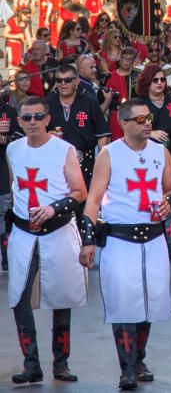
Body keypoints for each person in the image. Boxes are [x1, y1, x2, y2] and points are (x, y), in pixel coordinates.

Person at [79, 98, 171, 391]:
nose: (147, 123)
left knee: (150, 300)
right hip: (120, 238)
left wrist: (168, 203)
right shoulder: (109, 154)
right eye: (140, 120)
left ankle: (138, 358)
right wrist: (88, 241)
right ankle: (127, 368)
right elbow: (93, 200)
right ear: (123, 123)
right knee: (124, 303)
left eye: (149, 118)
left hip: (153, 236)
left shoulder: (161, 152)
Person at [7, 96, 87, 384]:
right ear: (19, 121)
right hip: (23, 231)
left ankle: (61, 364)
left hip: (58, 230)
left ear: (48, 119)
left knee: (61, 296)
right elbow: (16, 185)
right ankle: (31, 364)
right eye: (26, 118)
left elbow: (80, 192)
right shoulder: (13, 150)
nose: (32, 123)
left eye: (37, 117)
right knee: (18, 296)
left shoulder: (64, 150)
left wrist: (53, 208)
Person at [46, 64, 110, 190]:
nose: (63, 84)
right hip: (56, 161)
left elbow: (102, 135)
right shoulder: (48, 102)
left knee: (83, 202)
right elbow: (39, 132)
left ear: (77, 81)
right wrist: (47, 135)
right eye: (59, 80)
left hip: (84, 161)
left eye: (67, 80)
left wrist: (102, 165)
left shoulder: (89, 102)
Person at [135, 65, 171, 195]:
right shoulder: (140, 104)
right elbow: (133, 127)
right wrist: (151, 133)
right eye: (155, 80)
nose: (160, 83)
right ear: (147, 82)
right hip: (148, 153)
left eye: (163, 80)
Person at [0, 97, 21, 271]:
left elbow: (20, 136)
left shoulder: (10, 111)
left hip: (3, 169)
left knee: (4, 211)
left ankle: (6, 257)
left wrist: (6, 139)